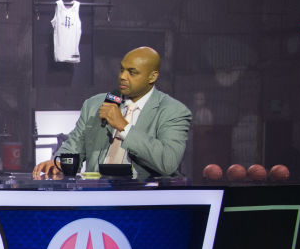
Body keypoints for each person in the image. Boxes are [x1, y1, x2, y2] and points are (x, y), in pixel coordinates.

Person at [33, 46, 191, 179]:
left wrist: (123, 127)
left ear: (152, 77)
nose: (122, 76)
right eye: (122, 70)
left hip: (143, 202)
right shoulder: (95, 104)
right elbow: (72, 146)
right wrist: (59, 163)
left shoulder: (173, 111)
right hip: (97, 197)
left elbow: (168, 162)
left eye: (132, 72)